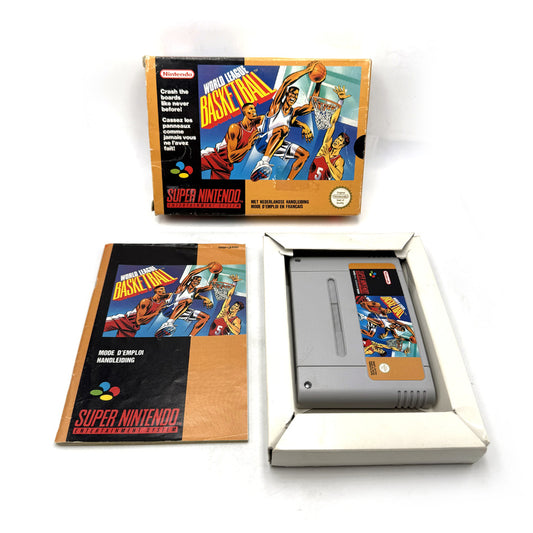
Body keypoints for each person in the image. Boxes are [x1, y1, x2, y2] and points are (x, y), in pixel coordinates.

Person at [250, 61, 322, 181]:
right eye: (292, 93)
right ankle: (263, 162)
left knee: (304, 155)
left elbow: (311, 107)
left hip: (277, 143)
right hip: (263, 141)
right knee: (284, 129)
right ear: (286, 94)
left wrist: (318, 83)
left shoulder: (293, 112)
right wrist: (307, 71)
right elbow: (286, 82)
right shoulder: (276, 106)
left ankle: (288, 181)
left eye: (296, 95)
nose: (294, 96)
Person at [201, 103, 264, 179]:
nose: (254, 110)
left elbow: (270, 115)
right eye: (251, 108)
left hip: (225, 167)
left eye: (254, 108)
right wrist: (248, 147)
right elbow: (231, 157)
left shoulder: (256, 125)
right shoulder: (235, 128)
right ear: (244, 112)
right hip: (213, 157)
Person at [155, 263, 218, 337]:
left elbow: (211, 287)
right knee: (188, 300)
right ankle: (168, 323)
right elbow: (191, 273)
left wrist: (216, 273)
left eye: (199, 281)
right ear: (191, 280)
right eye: (196, 279)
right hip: (169, 309)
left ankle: (191, 336)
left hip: (181, 310)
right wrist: (207, 267)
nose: (197, 281)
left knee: (205, 317)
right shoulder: (182, 287)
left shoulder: (196, 291)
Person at [308, 85, 351, 181]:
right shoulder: (325, 147)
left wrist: (327, 160)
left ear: (342, 145)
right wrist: (340, 102)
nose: (336, 141)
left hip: (321, 188)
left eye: (340, 141)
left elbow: (338, 177)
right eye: (337, 139)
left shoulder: (339, 160)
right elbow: (333, 122)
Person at [104, 285, 171, 338]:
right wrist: (155, 313)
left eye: (164, 290)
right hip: (123, 320)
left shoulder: (163, 303)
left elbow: (173, 295)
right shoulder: (146, 301)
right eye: (161, 289)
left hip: (132, 328)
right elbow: (138, 321)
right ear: (156, 291)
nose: (163, 291)